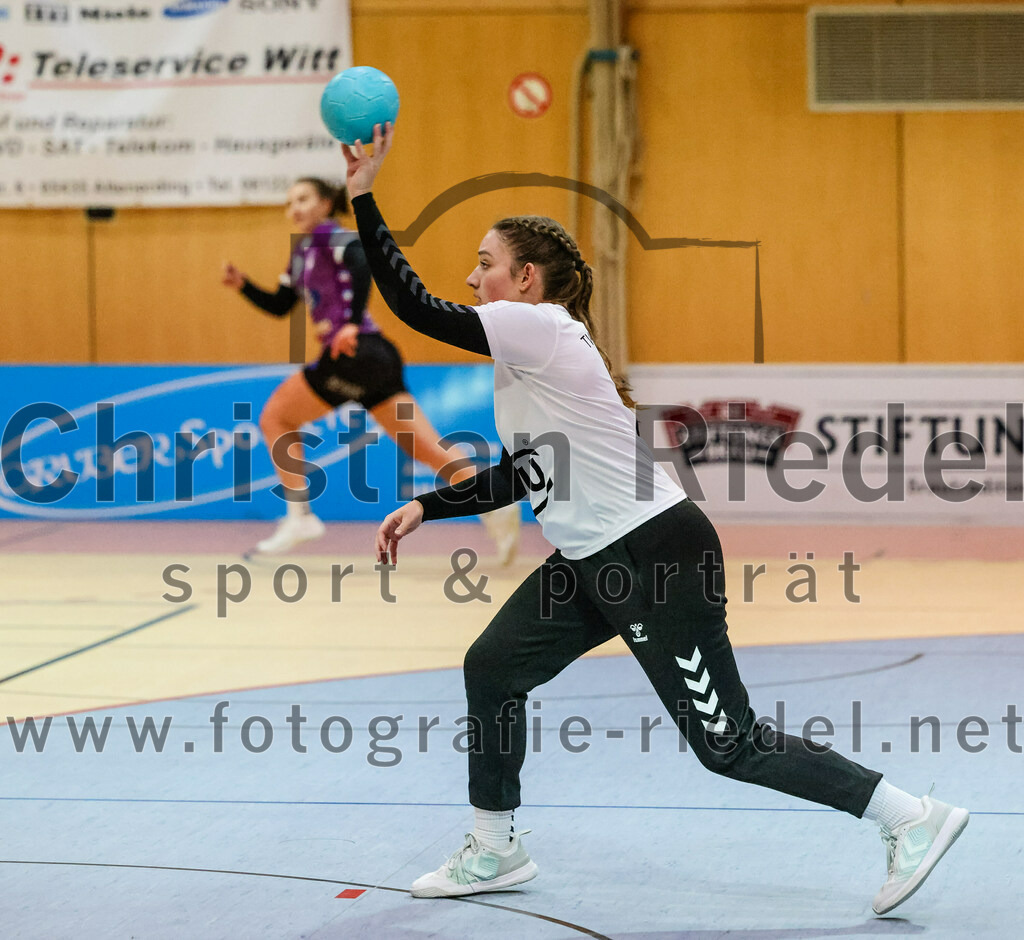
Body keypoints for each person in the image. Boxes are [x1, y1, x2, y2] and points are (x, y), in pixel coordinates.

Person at [345, 125, 968, 912]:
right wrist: (426, 506)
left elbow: (412, 306)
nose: (472, 278)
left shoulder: (540, 326)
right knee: (493, 666)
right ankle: (495, 846)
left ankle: (909, 816)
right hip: (592, 561)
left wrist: (363, 194)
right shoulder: (527, 363)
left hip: (655, 556)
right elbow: (522, 475)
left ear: (526, 278)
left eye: (485, 263)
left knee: (728, 743)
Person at [221, 176, 520, 559]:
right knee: (425, 448)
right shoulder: (302, 252)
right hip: (376, 359)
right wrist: (243, 284)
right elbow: (280, 304)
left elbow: (362, 261)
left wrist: (350, 322)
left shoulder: (331, 236)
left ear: (326, 203)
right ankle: (494, 502)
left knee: (275, 417)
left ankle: (300, 517)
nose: (294, 208)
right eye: (289, 202)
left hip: (354, 352)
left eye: (303, 199)